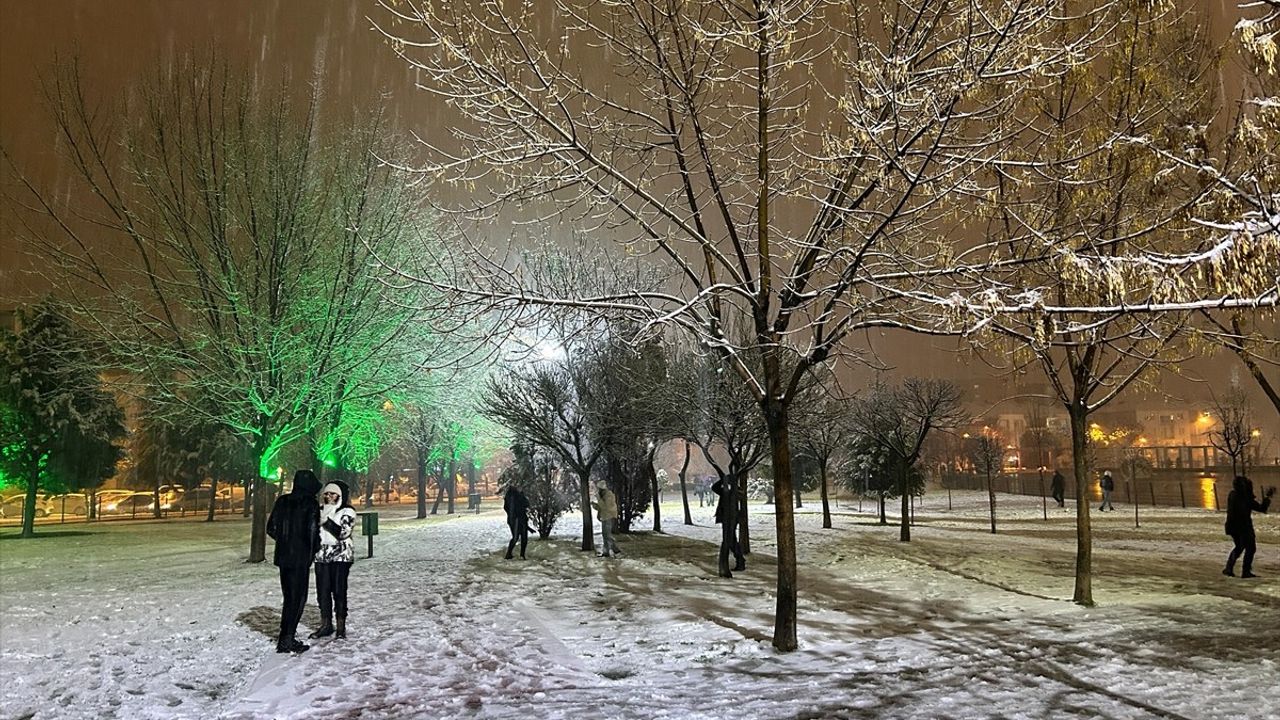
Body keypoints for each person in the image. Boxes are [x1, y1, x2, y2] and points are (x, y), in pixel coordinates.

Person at [266, 469, 321, 654]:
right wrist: (312, 550)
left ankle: (286, 636)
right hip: (300, 559)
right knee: (298, 598)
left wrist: (285, 541)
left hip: (284, 558)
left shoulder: (282, 501)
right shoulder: (310, 504)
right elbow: (313, 532)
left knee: (289, 597)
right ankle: (287, 639)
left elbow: (271, 528)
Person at [311, 480, 357, 640]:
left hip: (340, 557)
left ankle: (341, 626)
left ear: (340, 495)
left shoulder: (347, 511)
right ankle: (325, 624)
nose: (329, 496)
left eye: (333, 494)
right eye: (327, 493)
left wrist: (326, 521)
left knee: (338, 590)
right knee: (322, 592)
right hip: (321, 557)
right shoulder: (319, 510)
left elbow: (343, 533)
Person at [1223, 476, 1275, 578]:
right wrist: (1267, 497)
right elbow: (1261, 508)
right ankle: (1245, 571)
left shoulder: (1233, 495)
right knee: (1250, 548)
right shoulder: (1244, 498)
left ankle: (1229, 568)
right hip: (1243, 527)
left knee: (1239, 547)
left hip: (1232, 526)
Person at [591, 481, 620, 558]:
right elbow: (601, 507)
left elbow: (604, 507)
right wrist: (594, 505)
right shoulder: (604, 495)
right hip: (605, 516)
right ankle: (610, 550)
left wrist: (598, 498)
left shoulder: (609, 495)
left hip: (609, 517)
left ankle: (611, 549)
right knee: (606, 534)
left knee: (607, 534)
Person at [504, 483, 530, 560]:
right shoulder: (512, 495)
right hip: (516, 519)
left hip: (520, 518)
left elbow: (526, 504)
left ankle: (522, 554)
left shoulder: (518, 494)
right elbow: (509, 508)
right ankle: (509, 554)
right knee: (516, 537)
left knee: (524, 537)